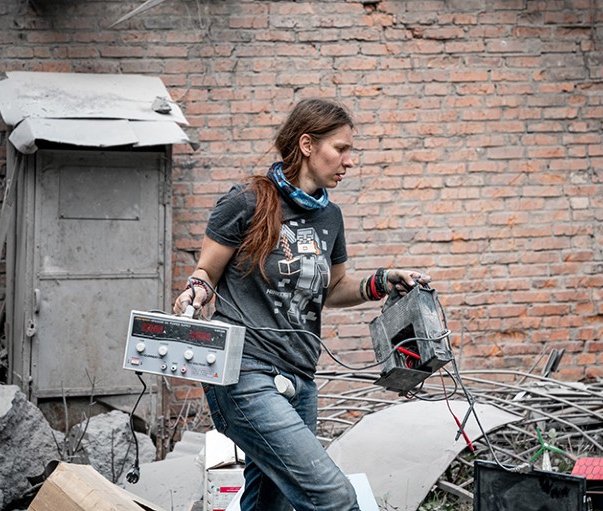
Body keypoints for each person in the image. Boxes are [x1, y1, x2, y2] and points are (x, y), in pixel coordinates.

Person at [173, 98, 431, 511]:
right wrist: (195, 293)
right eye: (341, 148)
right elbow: (206, 272)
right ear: (307, 144)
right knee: (333, 496)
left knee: (270, 504)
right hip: (246, 372)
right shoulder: (246, 202)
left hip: (300, 377)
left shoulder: (330, 217)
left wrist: (382, 281)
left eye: (351, 150)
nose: (349, 160)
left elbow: (335, 287)